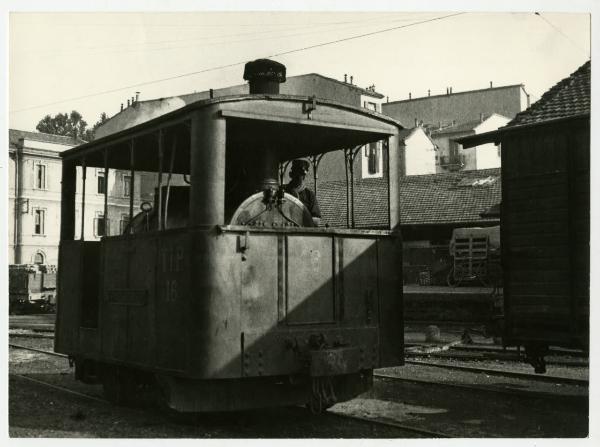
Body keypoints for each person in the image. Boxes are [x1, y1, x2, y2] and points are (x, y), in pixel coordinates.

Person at [284, 159, 321, 226]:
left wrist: (301, 219)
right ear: (291, 174)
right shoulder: (283, 191)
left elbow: (317, 220)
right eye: (296, 173)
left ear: (304, 176)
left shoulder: (309, 195)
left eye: (301, 174)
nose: (298, 177)